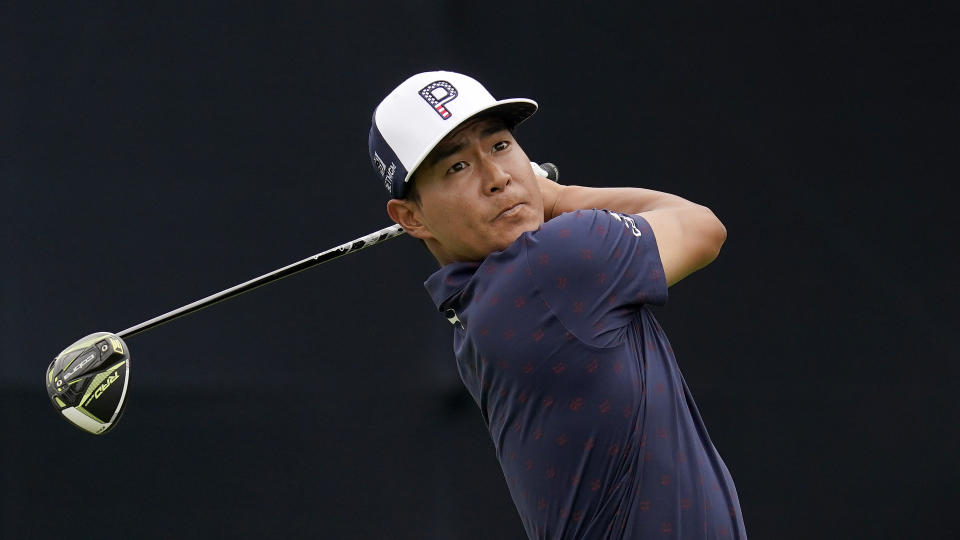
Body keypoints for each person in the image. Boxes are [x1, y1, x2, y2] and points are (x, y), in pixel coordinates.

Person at [369, 71, 746, 539]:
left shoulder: (472, 308)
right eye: (457, 167)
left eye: (500, 146)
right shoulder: (555, 263)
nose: (498, 178)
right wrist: (557, 196)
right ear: (411, 217)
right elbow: (702, 227)